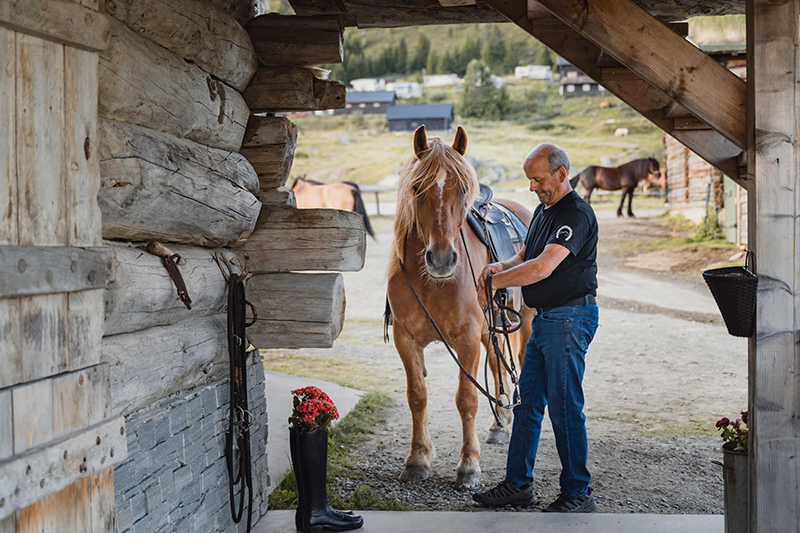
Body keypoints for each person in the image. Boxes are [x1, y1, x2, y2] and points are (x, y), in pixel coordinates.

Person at [472, 143, 599, 513]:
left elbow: (544, 266)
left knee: (564, 408)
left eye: (538, 179)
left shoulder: (575, 214)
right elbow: (527, 254)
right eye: (529, 180)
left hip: (570, 318)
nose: (532, 187)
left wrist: (496, 283)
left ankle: (578, 493)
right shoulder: (545, 211)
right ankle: (517, 485)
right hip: (546, 319)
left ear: (561, 174)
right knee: (527, 405)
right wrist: (500, 267)